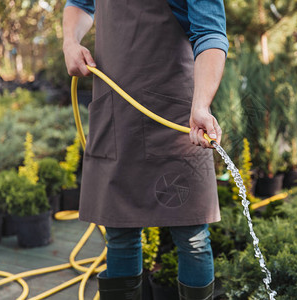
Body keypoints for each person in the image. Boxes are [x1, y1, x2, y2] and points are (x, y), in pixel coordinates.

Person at [62, 0, 228, 299]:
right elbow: (80, 4)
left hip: (178, 116)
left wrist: (201, 104)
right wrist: (70, 41)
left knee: (192, 238)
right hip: (115, 115)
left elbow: (211, 34)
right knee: (120, 233)